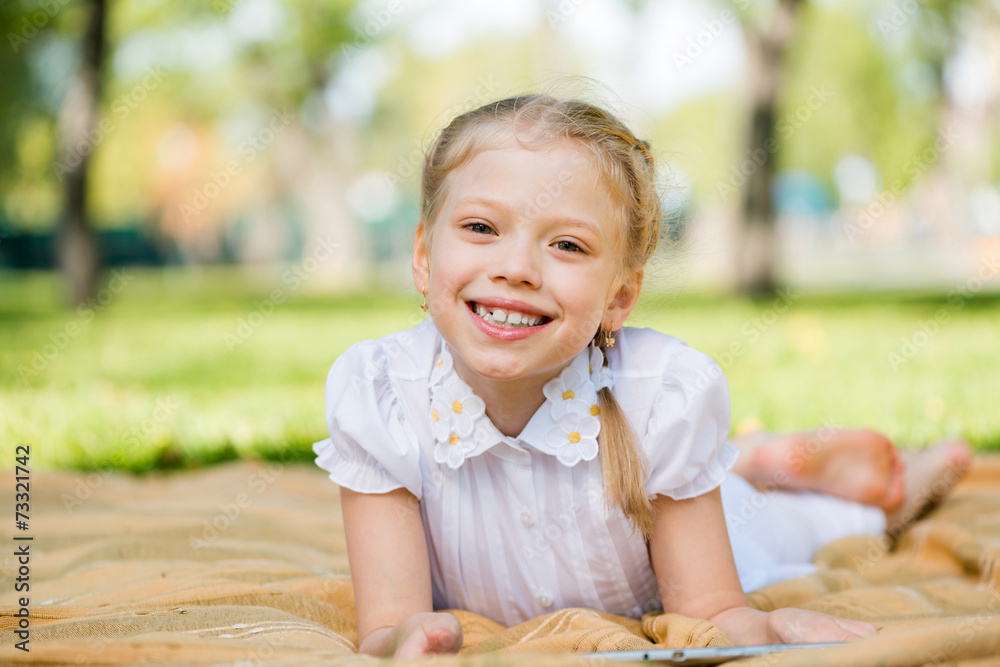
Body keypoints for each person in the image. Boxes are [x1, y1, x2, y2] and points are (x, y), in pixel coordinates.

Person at [313, 94, 973, 658]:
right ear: (425, 258)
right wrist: (405, 636)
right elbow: (387, 623)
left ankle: (891, 486)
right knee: (726, 483)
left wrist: (770, 625)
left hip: (721, 531)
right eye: (481, 227)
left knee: (808, 524)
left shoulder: (661, 396)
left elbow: (715, 605)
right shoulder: (382, 395)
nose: (515, 266)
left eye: (567, 244)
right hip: (669, 486)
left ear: (620, 297)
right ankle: (755, 460)